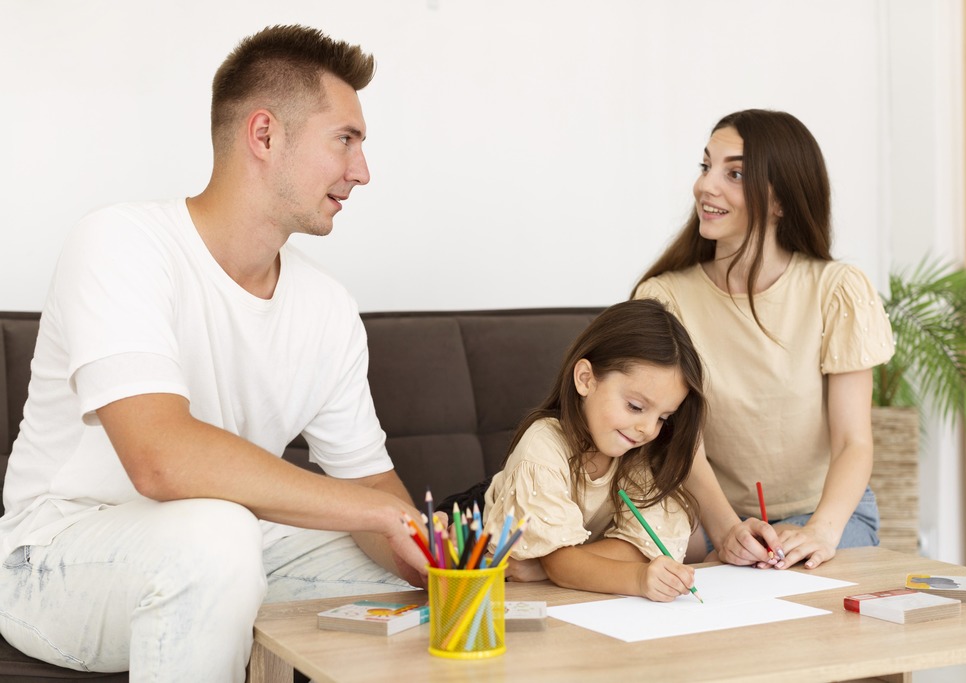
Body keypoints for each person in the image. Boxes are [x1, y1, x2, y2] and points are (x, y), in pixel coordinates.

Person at [0, 25, 435, 681]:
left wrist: (431, 554)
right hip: (55, 556)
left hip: (223, 542)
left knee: (415, 595)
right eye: (345, 139)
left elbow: (372, 484)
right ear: (264, 135)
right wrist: (379, 511)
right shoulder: (121, 244)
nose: (362, 171)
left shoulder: (327, 308)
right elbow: (160, 459)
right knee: (216, 536)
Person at [632, 109, 894, 572]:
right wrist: (725, 529)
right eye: (706, 166)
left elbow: (854, 441)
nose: (706, 186)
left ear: (780, 202)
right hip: (707, 517)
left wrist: (821, 532)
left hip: (823, 513)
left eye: (734, 174)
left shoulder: (837, 289)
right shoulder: (666, 297)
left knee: (788, 583)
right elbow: (677, 438)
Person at [477, 299, 706, 602]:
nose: (648, 429)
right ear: (586, 379)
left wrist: (551, 565)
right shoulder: (542, 447)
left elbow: (641, 547)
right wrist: (637, 578)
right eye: (635, 406)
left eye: (663, 417)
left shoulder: (637, 452)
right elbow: (563, 566)